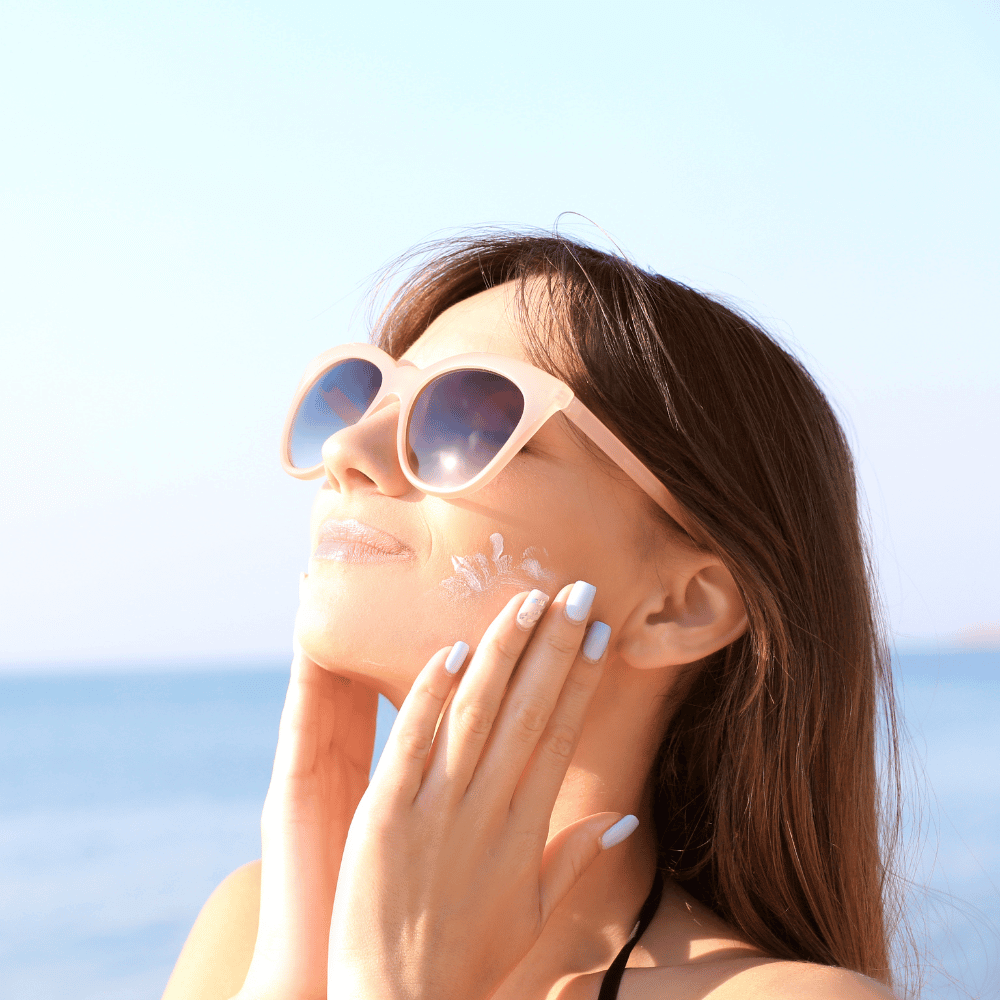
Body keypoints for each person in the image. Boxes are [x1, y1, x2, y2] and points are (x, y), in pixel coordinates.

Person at [162, 231, 903, 1000]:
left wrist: (398, 987)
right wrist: (294, 970)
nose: (348, 446)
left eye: (462, 421)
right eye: (361, 395)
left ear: (678, 606)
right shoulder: (252, 928)